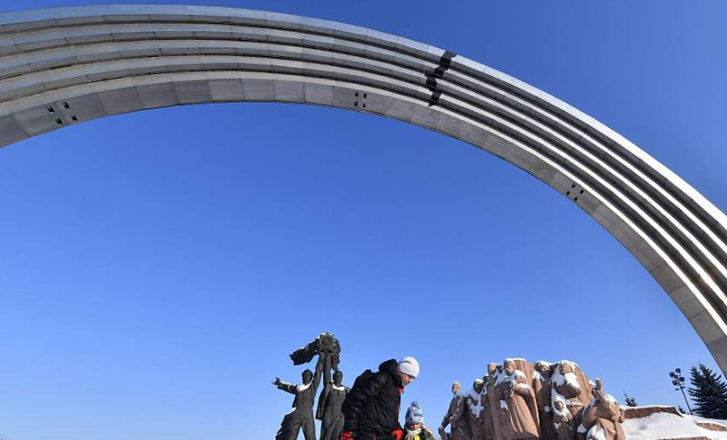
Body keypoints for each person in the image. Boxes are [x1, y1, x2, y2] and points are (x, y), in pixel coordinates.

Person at [340, 356, 420, 440]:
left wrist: (397, 428)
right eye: (410, 376)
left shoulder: (396, 388)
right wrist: (349, 431)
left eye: (413, 378)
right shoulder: (382, 379)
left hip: (383, 436)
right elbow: (356, 401)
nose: (410, 381)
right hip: (369, 434)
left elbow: (387, 415)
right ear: (401, 370)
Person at [273, 354, 324, 440]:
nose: (306, 377)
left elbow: (318, 372)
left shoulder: (312, 387)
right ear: (302, 377)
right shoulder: (298, 388)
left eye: (308, 375)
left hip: (308, 414)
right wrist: (280, 383)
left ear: (311, 378)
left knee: (311, 437)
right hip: (296, 413)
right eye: (305, 375)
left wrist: (321, 357)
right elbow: (288, 387)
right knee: (291, 437)